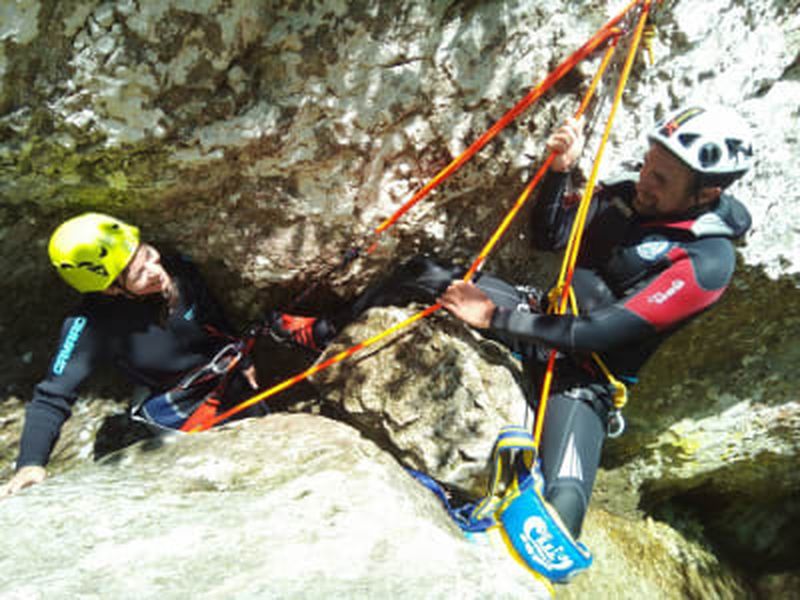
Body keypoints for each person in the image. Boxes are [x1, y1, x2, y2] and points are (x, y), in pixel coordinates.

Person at [270, 104, 754, 542]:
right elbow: (551, 237)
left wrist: (494, 317)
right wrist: (558, 175)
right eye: (649, 165)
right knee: (422, 273)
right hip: (540, 314)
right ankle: (324, 334)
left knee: (561, 514)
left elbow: (602, 333)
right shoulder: (631, 193)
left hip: (582, 375)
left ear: (706, 192)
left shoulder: (706, 262)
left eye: (662, 179)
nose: (645, 179)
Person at [1, 213, 265, 497]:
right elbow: (52, 397)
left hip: (224, 375)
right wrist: (30, 464)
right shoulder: (91, 326)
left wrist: (241, 355)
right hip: (177, 406)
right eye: (139, 273)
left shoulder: (178, 268)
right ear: (110, 288)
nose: (155, 269)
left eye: (148, 254)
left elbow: (212, 316)